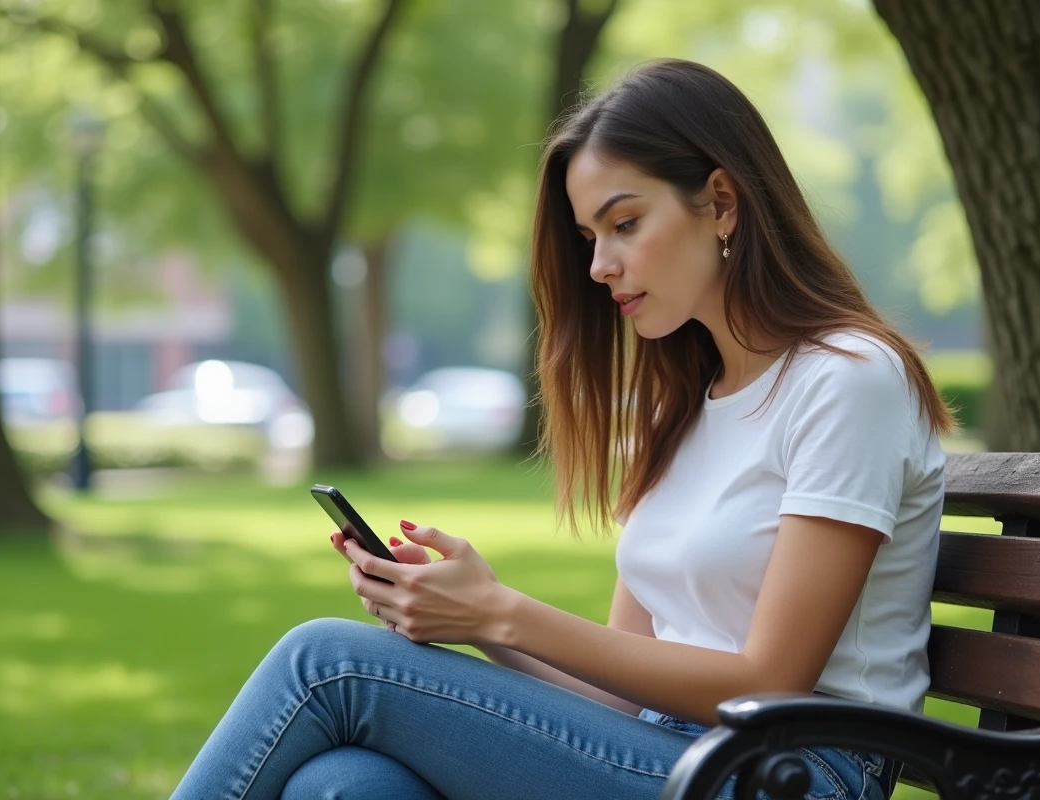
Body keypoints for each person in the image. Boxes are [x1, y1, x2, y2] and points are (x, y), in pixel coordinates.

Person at [170, 58, 951, 800]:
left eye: (625, 223)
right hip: (666, 754)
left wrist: (501, 613)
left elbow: (768, 683)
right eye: (588, 239)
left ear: (720, 201)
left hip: (791, 774)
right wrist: (476, 616)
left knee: (324, 663)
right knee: (339, 786)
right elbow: (618, 695)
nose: (599, 266)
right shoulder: (686, 406)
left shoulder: (847, 379)